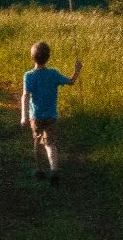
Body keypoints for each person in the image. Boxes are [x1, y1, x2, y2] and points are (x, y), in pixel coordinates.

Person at [20, 40, 80, 184]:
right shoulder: (53, 74)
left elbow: (25, 95)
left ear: (32, 57)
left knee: (37, 142)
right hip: (51, 116)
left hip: (36, 117)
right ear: (48, 57)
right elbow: (71, 82)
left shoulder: (28, 76)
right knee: (50, 143)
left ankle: (39, 170)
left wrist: (24, 116)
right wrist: (77, 70)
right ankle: (54, 169)